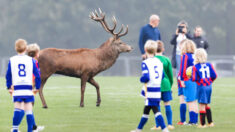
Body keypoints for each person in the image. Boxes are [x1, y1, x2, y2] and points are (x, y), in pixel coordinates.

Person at [131, 40, 169, 132]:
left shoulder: (145, 62)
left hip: (150, 90)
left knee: (156, 110)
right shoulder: (159, 62)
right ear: (155, 50)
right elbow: (163, 76)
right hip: (157, 89)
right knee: (146, 110)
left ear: (145, 49)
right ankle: (138, 129)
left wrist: (141, 79)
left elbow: (146, 77)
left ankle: (164, 129)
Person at [5, 39, 41, 132]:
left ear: (15, 48)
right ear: (26, 48)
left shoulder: (12, 60)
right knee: (29, 111)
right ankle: (30, 130)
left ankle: (15, 129)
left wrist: (9, 86)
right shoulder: (31, 60)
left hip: (17, 89)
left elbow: (8, 74)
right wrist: (37, 87)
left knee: (17, 109)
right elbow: (37, 74)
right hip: (28, 89)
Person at [170, 20, 191, 125]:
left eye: (183, 27)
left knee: (183, 96)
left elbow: (192, 41)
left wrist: (186, 32)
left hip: (185, 55)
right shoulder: (177, 35)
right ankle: (192, 121)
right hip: (178, 55)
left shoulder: (188, 35)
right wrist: (176, 33)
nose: (182, 28)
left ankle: (182, 81)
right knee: (180, 72)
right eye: (181, 27)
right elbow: (172, 42)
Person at [151, 40, 174, 130]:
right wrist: (170, 85)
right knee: (167, 104)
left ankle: (158, 125)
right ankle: (170, 124)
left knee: (157, 105)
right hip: (166, 84)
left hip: (155, 85)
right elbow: (170, 75)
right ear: (163, 49)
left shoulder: (151, 60)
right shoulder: (166, 59)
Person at [191, 48, 217, 128]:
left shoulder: (195, 67)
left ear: (196, 57)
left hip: (201, 87)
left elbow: (194, 78)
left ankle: (202, 124)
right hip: (209, 86)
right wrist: (210, 81)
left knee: (201, 105)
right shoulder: (209, 65)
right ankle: (210, 122)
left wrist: (190, 75)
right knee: (207, 104)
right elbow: (214, 75)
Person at [178, 39, 198, 125]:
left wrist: (182, 79)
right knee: (194, 101)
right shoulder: (195, 56)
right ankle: (195, 120)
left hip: (188, 80)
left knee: (190, 101)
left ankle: (192, 121)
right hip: (196, 80)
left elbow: (183, 69)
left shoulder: (185, 56)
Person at [27, 43, 45, 132]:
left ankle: (34, 127)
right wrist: (37, 88)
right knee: (27, 107)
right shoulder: (35, 62)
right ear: (37, 53)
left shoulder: (26, 61)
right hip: (30, 87)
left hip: (24, 86)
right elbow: (37, 75)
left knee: (28, 108)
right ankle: (16, 126)